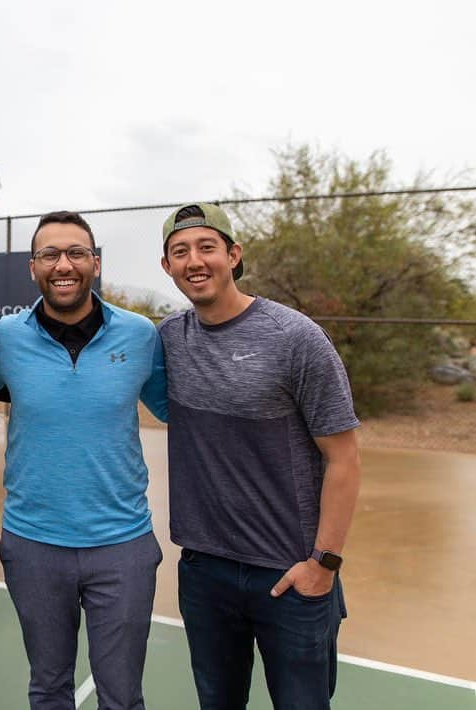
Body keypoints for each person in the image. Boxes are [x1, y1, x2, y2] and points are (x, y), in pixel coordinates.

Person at [157, 203, 362, 710]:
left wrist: (324, 564)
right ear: (167, 267)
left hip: (291, 577)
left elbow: (345, 459)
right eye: (180, 251)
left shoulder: (296, 338)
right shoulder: (167, 339)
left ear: (234, 254)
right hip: (205, 573)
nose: (194, 261)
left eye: (207, 247)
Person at [0, 210, 168, 710]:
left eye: (76, 253)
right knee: (48, 690)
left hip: (123, 548)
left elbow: (187, 415)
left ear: (95, 263)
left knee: (123, 697)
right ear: (33, 268)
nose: (64, 264)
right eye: (50, 254)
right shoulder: (5, 337)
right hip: (33, 546)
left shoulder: (140, 335)